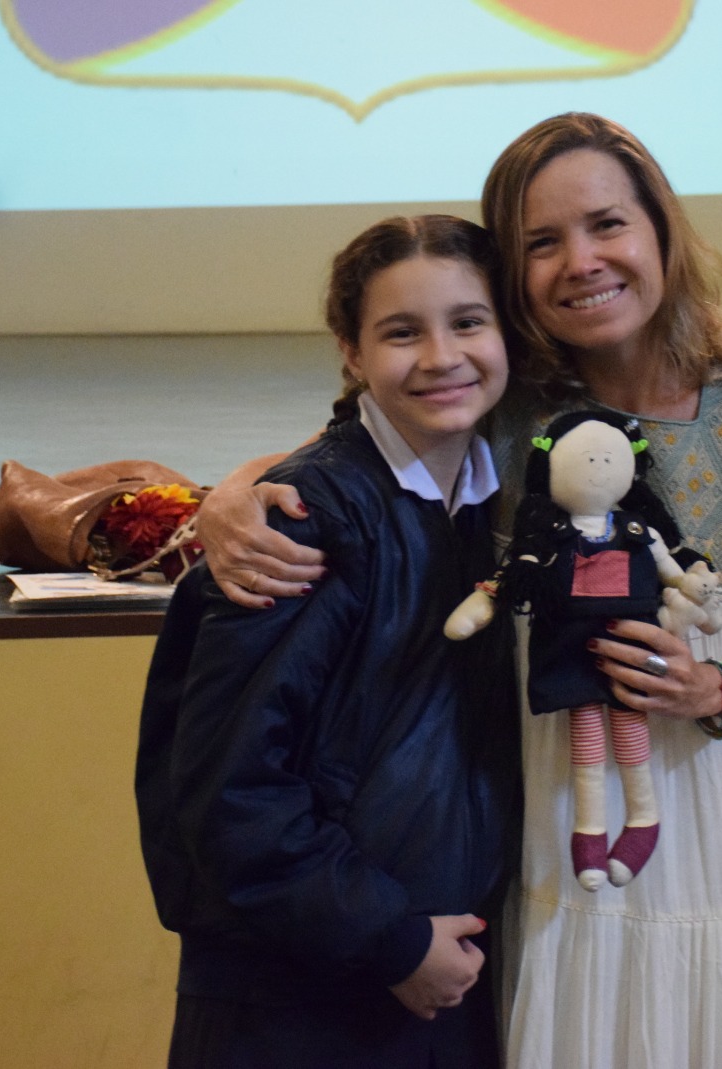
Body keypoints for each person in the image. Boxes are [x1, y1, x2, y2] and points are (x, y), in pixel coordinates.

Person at [199, 114, 722, 1068]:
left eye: (608, 223)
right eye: (541, 242)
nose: (582, 260)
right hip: (562, 843)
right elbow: (350, 452)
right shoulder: (504, 409)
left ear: (660, 231)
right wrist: (230, 498)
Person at [135, 214, 519, 1068]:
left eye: (467, 321)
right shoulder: (300, 522)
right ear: (350, 349)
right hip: (302, 1000)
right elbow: (230, 787)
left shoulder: (500, 502)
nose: (441, 355)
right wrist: (390, 940)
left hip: (439, 974)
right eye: (399, 331)